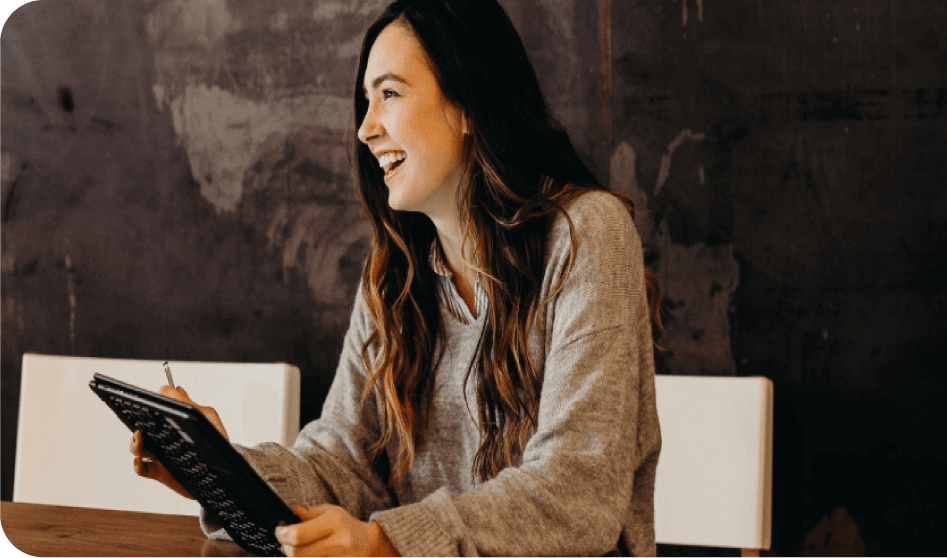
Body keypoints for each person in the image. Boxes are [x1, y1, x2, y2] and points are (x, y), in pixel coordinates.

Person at [130, 0, 665, 555]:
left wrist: (388, 542)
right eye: (366, 101)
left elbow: (577, 492)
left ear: (468, 105)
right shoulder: (396, 273)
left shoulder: (588, 234)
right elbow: (340, 464)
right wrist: (224, 474)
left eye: (390, 93)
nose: (365, 129)